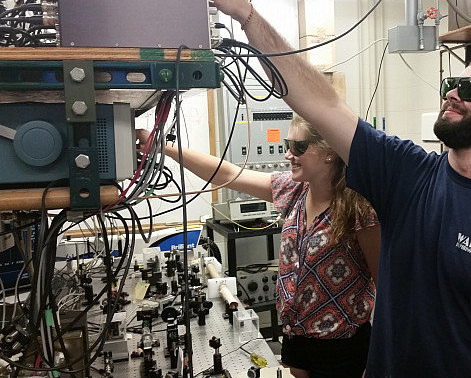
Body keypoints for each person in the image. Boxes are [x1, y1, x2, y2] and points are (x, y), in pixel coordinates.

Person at [207, 0, 471, 377]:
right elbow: (322, 103)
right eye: (451, 84)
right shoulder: (407, 173)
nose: (453, 93)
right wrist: (246, 15)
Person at [137, 114, 379, 378]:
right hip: (296, 338)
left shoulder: (359, 209)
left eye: (298, 147)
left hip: (342, 348)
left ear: (329, 152)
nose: (288, 154)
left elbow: (385, 283)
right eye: (288, 144)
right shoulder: (295, 190)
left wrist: (382, 355)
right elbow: (228, 173)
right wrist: (164, 147)